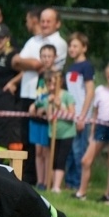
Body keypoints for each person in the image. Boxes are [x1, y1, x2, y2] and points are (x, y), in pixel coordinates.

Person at [11, 7, 68, 186]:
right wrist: (28, 63)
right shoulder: (33, 40)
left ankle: (43, 180)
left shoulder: (59, 42)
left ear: (57, 23)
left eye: (48, 21)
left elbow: (40, 66)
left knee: (44, 143)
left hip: (45, 96)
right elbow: (14, 61)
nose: (44, 24)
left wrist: (25, 62)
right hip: (28, 94)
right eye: (42, 20)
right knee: (29, 140)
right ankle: (29, 178)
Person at [77, 61, 109, 201]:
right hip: (101, 129)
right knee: (86, 160)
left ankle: (108, 194)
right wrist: (92, 133)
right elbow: (96, 112)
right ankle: (82, 192)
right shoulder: (100, 90)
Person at [34, 61, 77, 193]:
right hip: (53, 133)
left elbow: (71, 115)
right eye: (49, 84)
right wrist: (44, 110)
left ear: (60, 82)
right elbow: (48, 115)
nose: (52, 86)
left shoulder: (67, 96)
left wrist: (60, 106)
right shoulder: (47, 99)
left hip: (66, 133)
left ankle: (56, 186)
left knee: (61, 159)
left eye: (54, 83)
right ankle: (49, 184)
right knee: (52, 158)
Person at [60, 32, 95, 190]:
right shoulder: (71, 66)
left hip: (81, 115)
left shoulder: (86, 66)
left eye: (75, 46)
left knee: (79, 151)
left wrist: (83, 116)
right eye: (70, 46)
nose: (71, 49)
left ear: (84, 48)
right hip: (71, 116)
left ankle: (79, 184)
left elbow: (90, 91)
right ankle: (70, 182)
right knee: (70, 151)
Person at [27, 45, 59, 187]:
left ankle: (47, 181)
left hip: (48, 118)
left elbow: (56, 96)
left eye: (49, 56)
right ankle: (40, 181)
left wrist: (45, 108)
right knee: (38, 150)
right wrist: (34, 105)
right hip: (37, 117)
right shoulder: (40, 74)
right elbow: (39, 94)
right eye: (44, 56)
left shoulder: (57, 76)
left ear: (55, 57)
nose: (46, 59)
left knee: (47, 151)